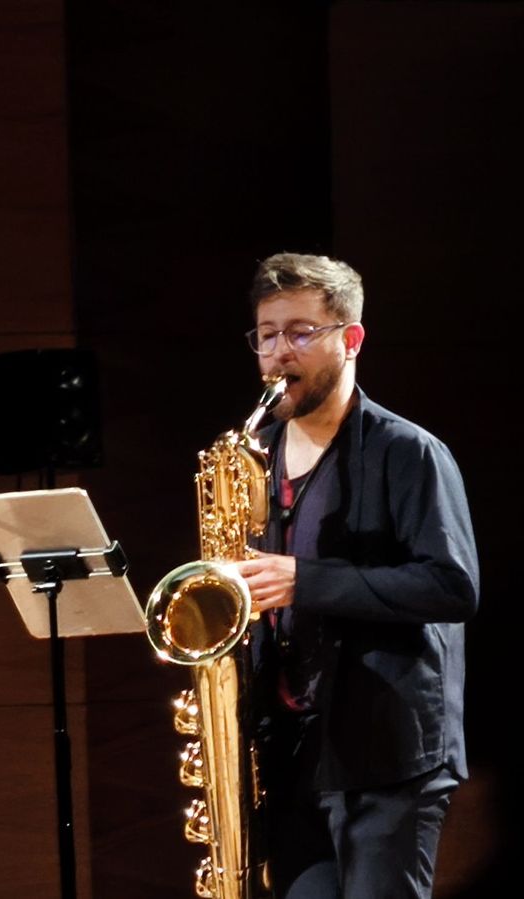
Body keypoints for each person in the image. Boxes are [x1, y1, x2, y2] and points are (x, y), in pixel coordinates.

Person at [232, 253, 478, 898]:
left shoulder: (409, 452)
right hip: (291, 754)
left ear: (351, 338)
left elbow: (451, 586)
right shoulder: (254, 461)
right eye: (267, 334)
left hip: (386, 756)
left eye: (301, 332)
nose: (279, 352)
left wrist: (305, 580)